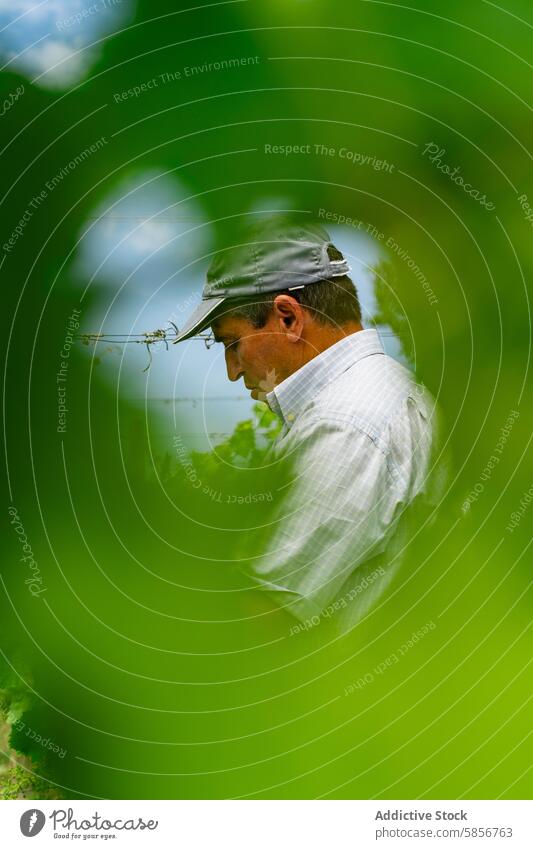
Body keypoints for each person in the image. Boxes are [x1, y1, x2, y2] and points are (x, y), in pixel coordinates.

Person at [174, 216, 444, 633]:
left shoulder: (343, 423)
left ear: (287, 317)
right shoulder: (385, 391)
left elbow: (266, 618)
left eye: (232, 343)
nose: (232, 370)